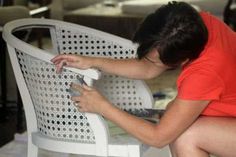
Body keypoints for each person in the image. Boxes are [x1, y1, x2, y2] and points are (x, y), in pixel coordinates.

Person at [51, 1, 236, 157]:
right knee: (174, 116)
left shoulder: (205, 72)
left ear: (184, 60)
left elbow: (158, 137)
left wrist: (102, 107)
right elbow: (148, 68)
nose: (147, 61)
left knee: (185, 135)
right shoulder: (192, 24)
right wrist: (92, 61)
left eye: (153, 59)